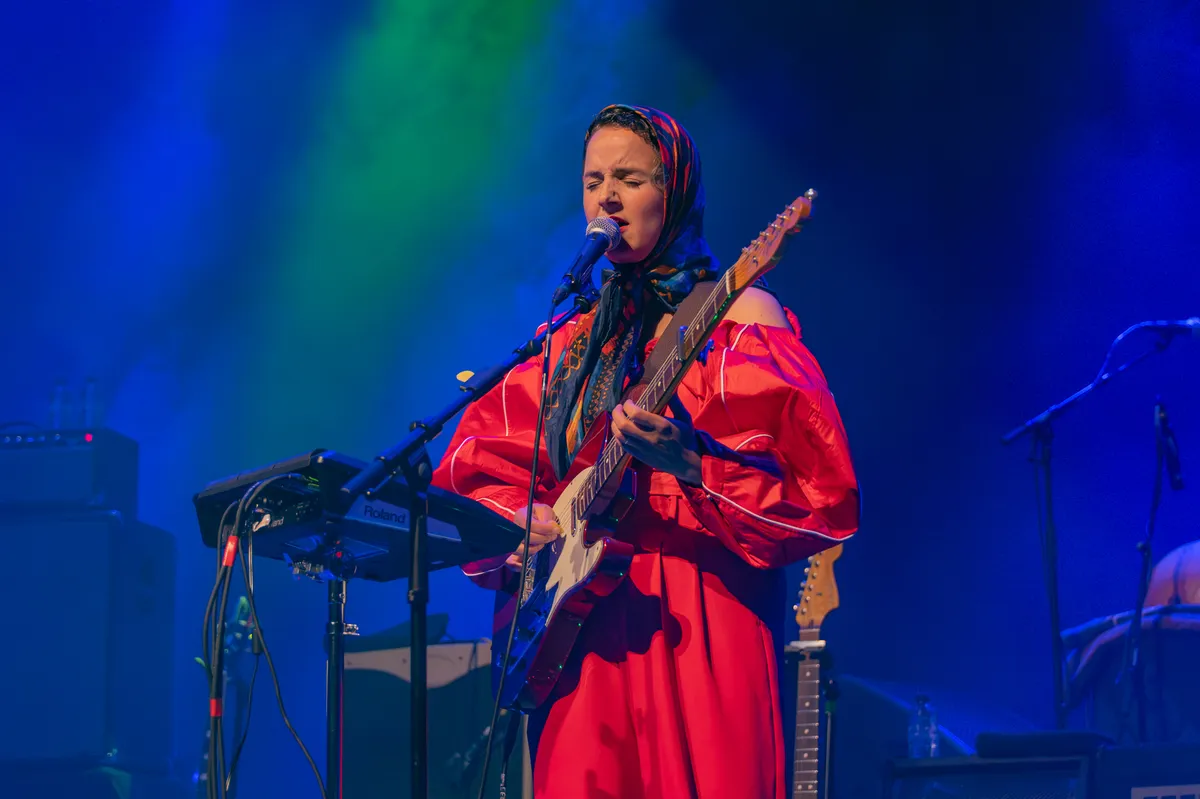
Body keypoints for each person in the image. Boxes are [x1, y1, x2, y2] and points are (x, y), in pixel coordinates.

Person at [430, 104, 860, 799]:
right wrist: (520, 523)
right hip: (580, 623)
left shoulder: (741, 317)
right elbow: (477, 468)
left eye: (629, 179)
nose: (607, 196)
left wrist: (692, 464)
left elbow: (816, 488)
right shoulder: (572, 340)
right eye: (593, 180)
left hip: (698, 605)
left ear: (675, 191)